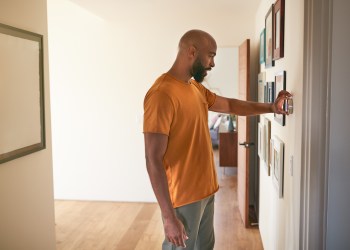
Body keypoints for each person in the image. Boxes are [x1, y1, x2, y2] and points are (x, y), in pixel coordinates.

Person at [143, 29, 291, 250]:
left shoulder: (195, 88)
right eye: (210, 56)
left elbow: (231, 105)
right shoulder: (161, 94)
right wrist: (168, 217)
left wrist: (271, 107)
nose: (212, 64)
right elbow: (152, 159)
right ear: (192, 52)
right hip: (183, 198)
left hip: (207, 192)